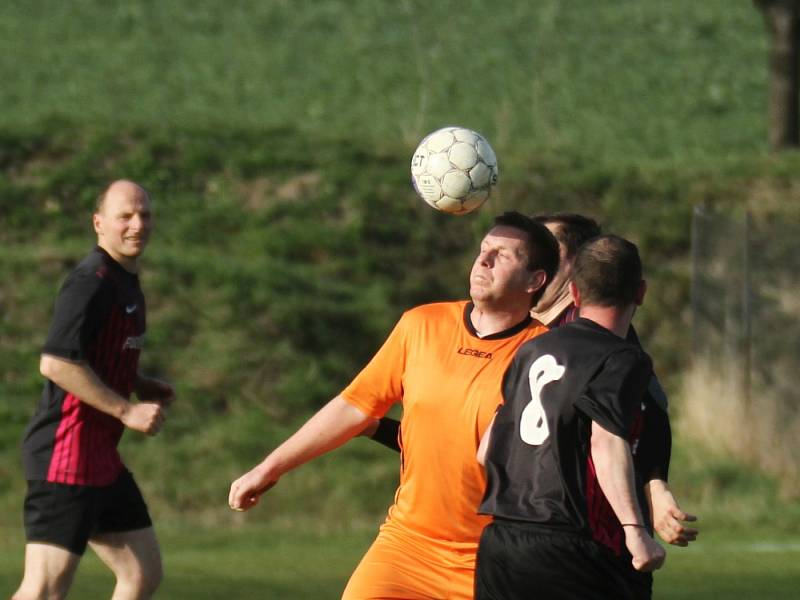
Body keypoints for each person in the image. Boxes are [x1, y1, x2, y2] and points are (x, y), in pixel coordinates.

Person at [229, 211, 560, 600]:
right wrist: (269, 468)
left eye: (503, 255)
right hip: (407, 544)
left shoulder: (544, 356)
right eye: (483, 250)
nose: (483, 261)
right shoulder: (421, 324)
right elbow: (355, 407)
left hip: (491, 556)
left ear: (535, 280)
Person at [475, 234, 666, 600]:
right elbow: (606, 441)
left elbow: (486, 450)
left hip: (502, 543)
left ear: (575, 294)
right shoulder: (623, 358)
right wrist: (635, 531)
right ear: (640, 293)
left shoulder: (531, 350)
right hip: (570, 545)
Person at [13, 180, 174, 600]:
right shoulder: (91, 281)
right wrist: (126, 410)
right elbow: (57, 362)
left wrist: (138, 383)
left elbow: (96, 352)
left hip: (100, 457)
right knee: (44, 590)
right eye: (125, 216)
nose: (137, 224)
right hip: (66, 455)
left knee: (142, 574)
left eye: (145, 215)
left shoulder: (125, 281)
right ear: (99, 223)